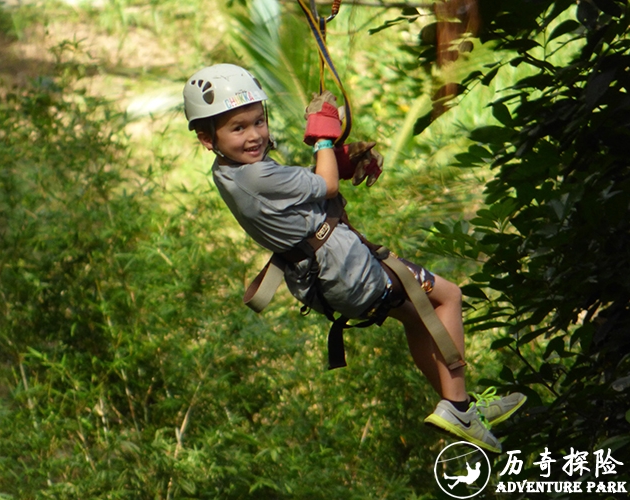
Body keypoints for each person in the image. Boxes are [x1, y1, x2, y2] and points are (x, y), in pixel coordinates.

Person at [183, 63, 525, 453]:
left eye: (259, 121)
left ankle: (461, 402)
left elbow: (302, 191)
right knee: (448, 296)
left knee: (418, 315)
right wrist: (325, 141)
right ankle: (459, 406)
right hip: (346, 271)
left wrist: (340, 158)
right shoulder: (256, 176)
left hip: (325, 278)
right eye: (238, 128)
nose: (255, 135)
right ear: (206, 138)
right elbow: (325, 185)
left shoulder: (230, 172)